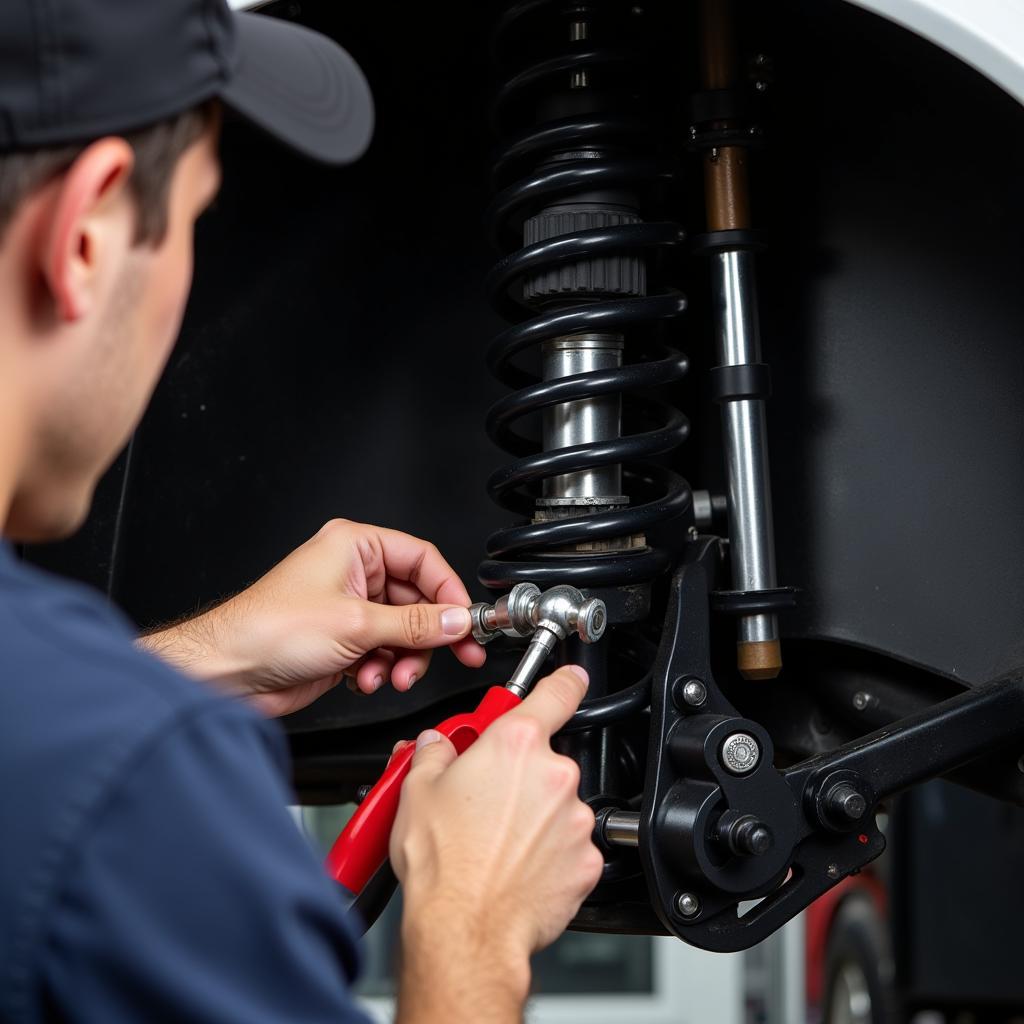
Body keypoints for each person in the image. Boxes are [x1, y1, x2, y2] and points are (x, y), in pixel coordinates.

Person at [0, 2, 604, 1022]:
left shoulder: (81, 754)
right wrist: (473, 926)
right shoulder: (135, 790)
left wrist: (204, 659)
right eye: (197, 218)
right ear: (90, 234)